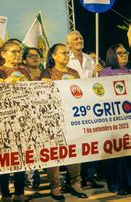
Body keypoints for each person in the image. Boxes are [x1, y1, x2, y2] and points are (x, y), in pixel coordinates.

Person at [40, 43, 88, 200]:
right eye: (63, 53)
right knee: (55, 155)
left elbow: (81, 93)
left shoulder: (74, 72)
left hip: (73, 119)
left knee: (74, 153)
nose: (67, 55)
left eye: (68, 53)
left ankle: (75, 185)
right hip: (54, 121)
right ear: (53, 56)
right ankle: (55, 188)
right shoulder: (47, 73)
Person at [0, 40, 30, 202]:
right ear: (4, 54)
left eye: (19, 51)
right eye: (13, 51)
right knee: (4, 158)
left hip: (22, 119)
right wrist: (5, 83)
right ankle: (5, 194)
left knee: (20, 157)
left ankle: (19, 192)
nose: (17, 54)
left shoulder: (25, 71)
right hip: (4, 122)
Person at [65, 31, 104, 189]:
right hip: (72, 104)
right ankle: (72, 180)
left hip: (89, 104)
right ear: (68, 43)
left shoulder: (90, 59)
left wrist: (98, 72)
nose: (79, 40)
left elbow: (95, 82)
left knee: (90, 141)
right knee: (74, 143)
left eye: (81, 37)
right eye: (76, 39)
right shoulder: (66, 59)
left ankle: (89, 176)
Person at [99, 43, 130, 195]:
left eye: (125, 52)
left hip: (128, 120)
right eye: (120, 53)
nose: (124, 55)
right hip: (113, 122)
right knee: (116, 155)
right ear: (112, 55)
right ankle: (116, 185)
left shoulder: (129, 71)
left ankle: (128, 183)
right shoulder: (105, 73)